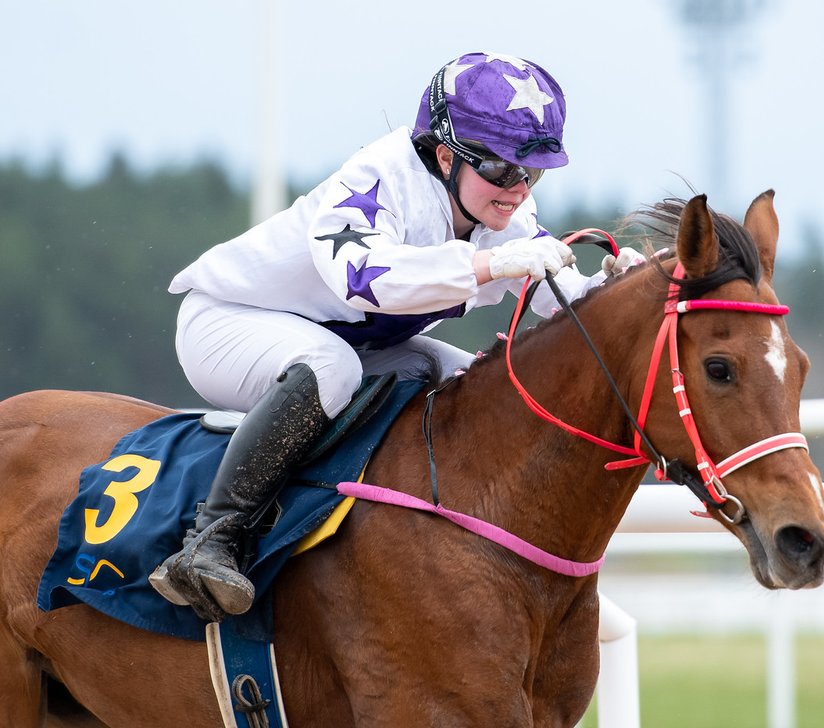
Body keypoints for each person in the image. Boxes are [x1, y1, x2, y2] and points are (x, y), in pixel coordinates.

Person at [148, 51, 645, 621]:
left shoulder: (498, 211)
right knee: (333, 369)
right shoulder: (374, 179)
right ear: (444, 154)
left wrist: (614, 292)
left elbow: (551, 293)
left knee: (474, 381)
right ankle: (212, 539)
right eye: (504, 171)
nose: (518, 191)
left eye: (531, 175)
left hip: (348, 344)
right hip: (227, 325)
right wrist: (491, 265)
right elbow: (364, 280)